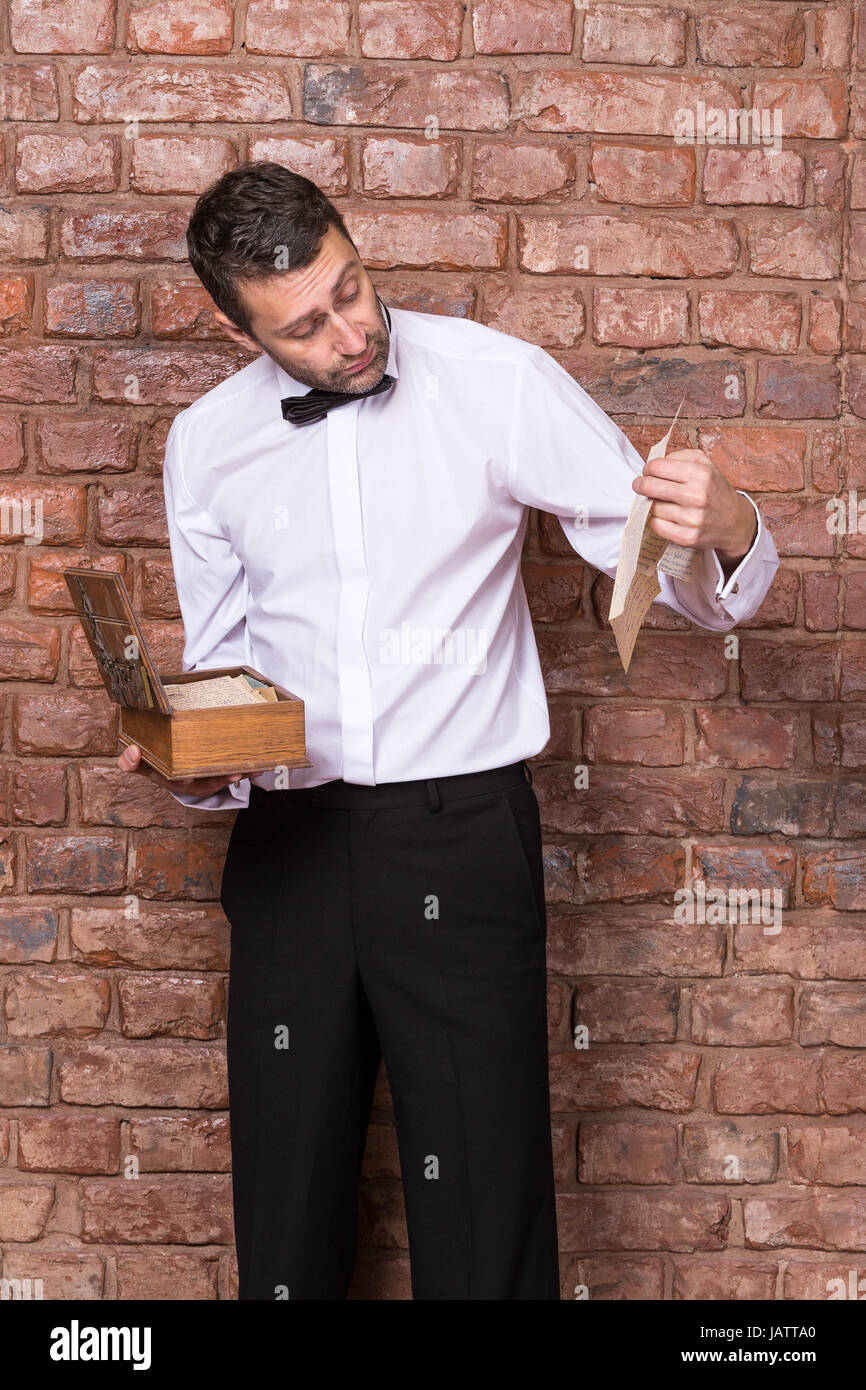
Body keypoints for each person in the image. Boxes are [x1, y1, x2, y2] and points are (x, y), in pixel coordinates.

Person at [117, 162, 779, 1300]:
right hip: (289, 853)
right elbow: (225, 674)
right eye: (304, 326)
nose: (350, 332)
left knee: (482, 1207)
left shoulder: (493, 380)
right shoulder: (205, 445)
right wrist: (189, 761)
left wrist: (725, 526)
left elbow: (654, 564)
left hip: (458, 837)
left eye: (351, 289)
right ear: (236, 329)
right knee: (285, 1210)